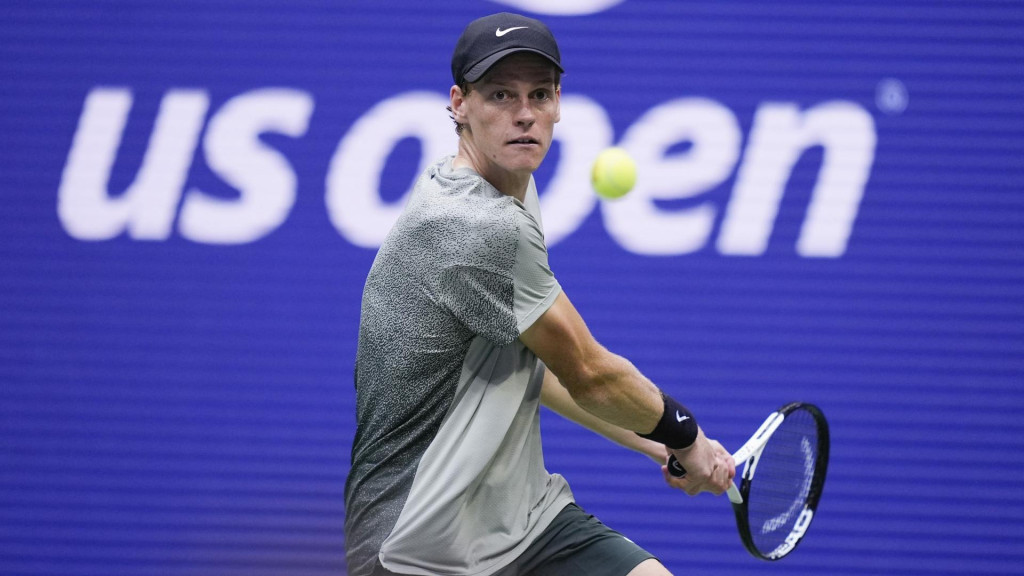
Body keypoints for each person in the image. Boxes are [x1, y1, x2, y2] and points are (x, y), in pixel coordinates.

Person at [344, 12, 735, 576]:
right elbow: (588, 372)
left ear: (558, 104)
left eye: (540, 94)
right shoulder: (479, 226)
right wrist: (684, 433)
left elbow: (541, 368)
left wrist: (661, 447)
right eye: (500, 94)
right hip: (416, 548)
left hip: (525, 525)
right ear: (459, 104)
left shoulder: (507, 190)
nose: (524, 114)